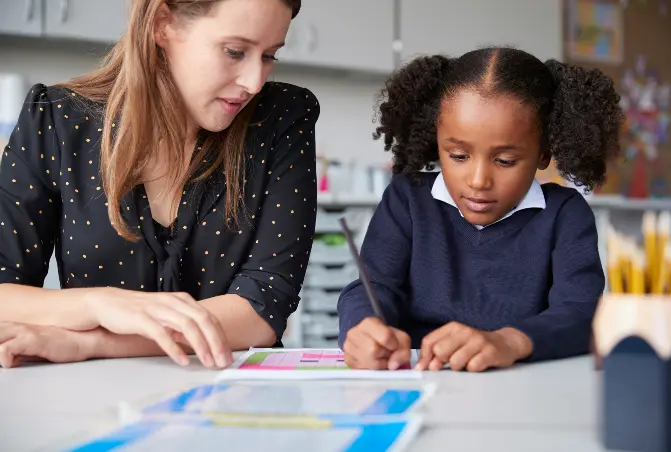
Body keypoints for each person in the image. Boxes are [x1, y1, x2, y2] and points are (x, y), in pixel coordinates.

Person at [0, 0, 319, 369]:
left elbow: (262, 308)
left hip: (233, 395)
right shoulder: (56, 118)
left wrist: (90, 341)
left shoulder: (283, 118)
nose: (253, 82)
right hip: (89, 396)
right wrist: (100, 304)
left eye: (269, 56)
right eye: (235, 52)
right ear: (162, 24)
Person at [338, 47, 623, 372]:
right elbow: (373, 287)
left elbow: (581, 312)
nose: (478, 181)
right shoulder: (407, 199)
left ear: (544, 154)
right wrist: (363, 327)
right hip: (419, 382)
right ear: (437, 140)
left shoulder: (565, 214)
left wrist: (508, 342)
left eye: (505, 161)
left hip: (523, 389)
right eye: (459, 156)